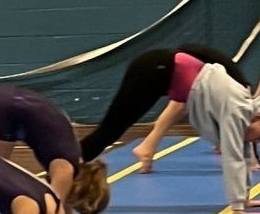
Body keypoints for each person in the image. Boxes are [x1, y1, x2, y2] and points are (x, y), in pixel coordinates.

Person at [132, 61, 260, 214]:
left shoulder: (245, 115)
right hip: (174, 67)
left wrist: (244, 199)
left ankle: (145, 147)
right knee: (121, 118)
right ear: (258, 117)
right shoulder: (238, 112)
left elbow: (243, 158)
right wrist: (238, 210)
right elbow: (233, 159)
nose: (257, 142)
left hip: (189, 73)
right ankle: (144, 148)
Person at [79, 42, 242, 162]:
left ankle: (74, 160)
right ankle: (71, 162)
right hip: (156, 68)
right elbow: (186, 109)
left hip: (163, 68)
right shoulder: (239, 95)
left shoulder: (234, 95)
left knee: (111, 130)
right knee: (111, 130)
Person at [0, 84, 111, 214]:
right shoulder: (65, 171)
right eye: (75, 206)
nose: (71, 207)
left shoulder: (73, 158)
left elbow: (62, 205)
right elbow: (51, 213)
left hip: (8, 96)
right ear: (78, 194)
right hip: (7, 110)